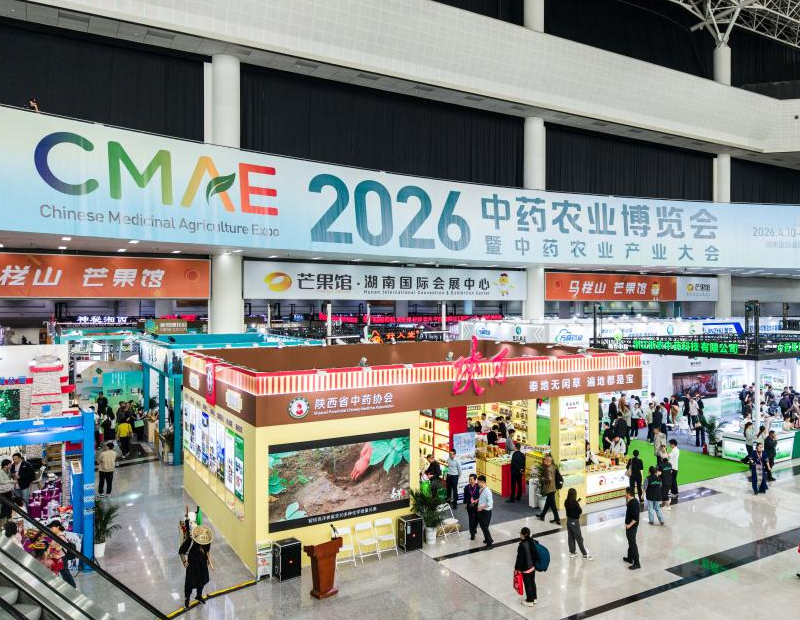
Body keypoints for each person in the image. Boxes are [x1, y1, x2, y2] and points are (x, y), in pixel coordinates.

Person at [179, 525, 214, 609]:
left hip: (203, 564)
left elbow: (207, 551)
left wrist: (208, 559)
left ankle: (199, 595)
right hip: (192, 565)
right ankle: (187, 600)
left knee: (202, 580)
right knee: (189, 583)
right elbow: (181, 551)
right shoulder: (191, 540)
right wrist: (184, 561)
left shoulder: (207, 540)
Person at [564, 488, 593, 560]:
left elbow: (571, 507)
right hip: (575, 522)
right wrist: (577, 504)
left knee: (571, 538)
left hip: (569, 521)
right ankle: (585, 554)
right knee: (579, 538)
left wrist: (576, 503)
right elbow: (580, 511)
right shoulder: (575, 503)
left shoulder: (566, 501)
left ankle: (572, 552)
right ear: (574, 495)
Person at [47, 520, 77, 588]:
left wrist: (54, 548)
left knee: (66, 573)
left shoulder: (60, 536)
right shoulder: (57, 535)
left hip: (62, 557)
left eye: (52, 527)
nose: (51, 529)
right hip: (59, 557)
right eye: (50, 528)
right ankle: (69, 587)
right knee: (63, 573)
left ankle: (74, 587)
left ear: (57, 527)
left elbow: (62, 546)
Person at [514, 527, 537, 607]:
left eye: (521, 533)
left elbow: (520, 559)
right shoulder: (532, 541)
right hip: (533, 567)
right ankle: (534, 598)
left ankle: (530, 601)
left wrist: (517, 568)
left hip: (526, 568)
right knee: (532, 582)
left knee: (527, 584)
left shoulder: (522, 545)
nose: (520, 534)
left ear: (525, 534)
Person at [537, 455, 560, 525]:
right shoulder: (553, 467)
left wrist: (543, 479)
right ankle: (542, 515)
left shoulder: (548, 469)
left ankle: (557, 518)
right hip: (553, 487)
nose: (544, 461)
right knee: (547, 503)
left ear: (548, 461)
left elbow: (549, 479)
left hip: (549, 489)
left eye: (545, 460)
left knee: (553, 505)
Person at [623, 488, 641, 569]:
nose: (624, 494)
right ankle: (630, 558)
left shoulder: (633, 503)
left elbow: (635, 517)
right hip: (631, 526)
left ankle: (637, 563)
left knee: (632, 544)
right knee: (630, 542)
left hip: (632, 527)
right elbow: (627, 505)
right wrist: (626, 499)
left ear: (628, 494)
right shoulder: (632, 501)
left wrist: (629, 525)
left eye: (625, 493)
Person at [475, 475, 494, 548]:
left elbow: (490, 503)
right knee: (483, 526)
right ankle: (488, 539)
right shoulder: (481, 489)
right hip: (482, 511)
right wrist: (477, 500)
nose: (477, 483)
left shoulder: (487, 491)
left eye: (478, 482)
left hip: (486, 512)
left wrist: (481, 507)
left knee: (485, 527)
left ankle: (489, 544)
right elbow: (481, 498)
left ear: (482, 482)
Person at [463, 474, 481, 540]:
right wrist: (465, 503)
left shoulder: (479, 487)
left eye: (471, 479)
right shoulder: (466, 487)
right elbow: (465, 496)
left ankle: (474, 528)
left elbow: (481, 496)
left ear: (475, 480)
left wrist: (477, 501)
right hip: (470, 505)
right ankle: (472, 534)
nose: (470, 481)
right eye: (469, 479)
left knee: (477, 519)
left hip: (477, 505)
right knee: (471, 519)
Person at [657, 447, 673, 512]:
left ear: (661, 459)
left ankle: (668, 506)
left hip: (664, 482)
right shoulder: (670, 464)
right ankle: (663, 506)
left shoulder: (661, 466)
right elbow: (671, 471)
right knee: (665, 493)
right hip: (670, 481)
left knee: (664, 494)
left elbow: (659, 474)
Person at [0, 459, 14, 525]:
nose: (11, 465)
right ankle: (4, 522)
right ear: (5, 465)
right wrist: (11, 481)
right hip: (3, 492)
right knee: (4, 506)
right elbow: (1, 481)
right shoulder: (1, 472)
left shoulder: (8, 471)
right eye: (9, 464)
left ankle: (9, 519)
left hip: (8, 490)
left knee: (9, 506)